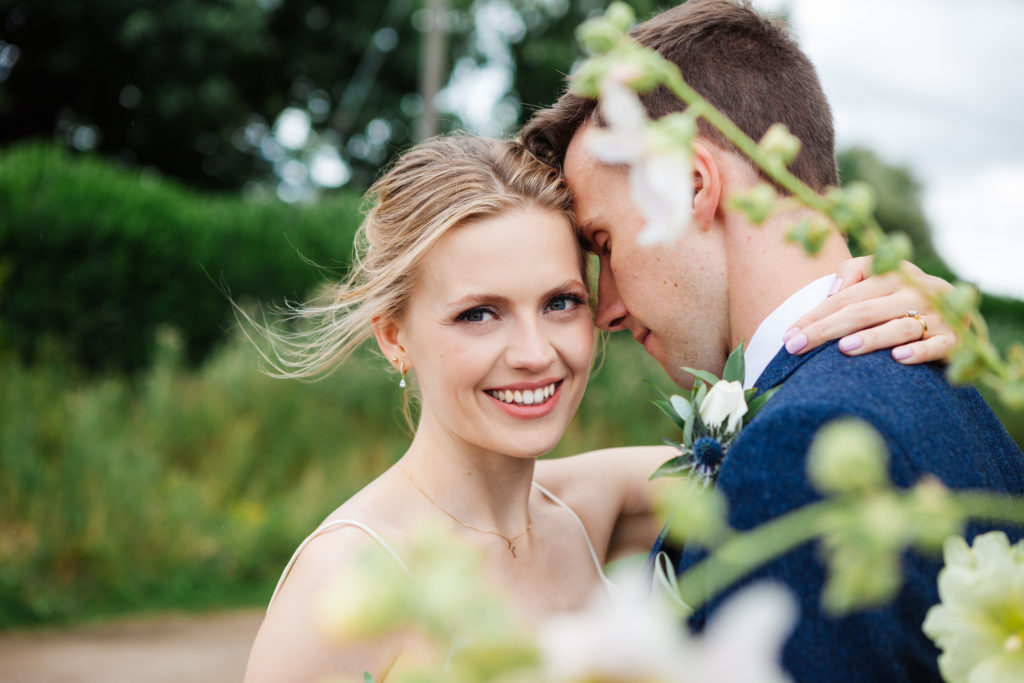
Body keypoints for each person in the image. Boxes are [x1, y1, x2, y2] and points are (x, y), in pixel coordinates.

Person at [241, 133, 958, 681]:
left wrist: (910, 303)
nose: (535, 351)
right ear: (395, 336)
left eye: (561, 302)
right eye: (478, 315)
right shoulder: (348, 575)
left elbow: (809, 458)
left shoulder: (598, 506)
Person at [520, 1, 1024, 681]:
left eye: (605, 244)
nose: (604, 308)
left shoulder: (801, 446)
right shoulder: (949, 387)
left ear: (691, 183)